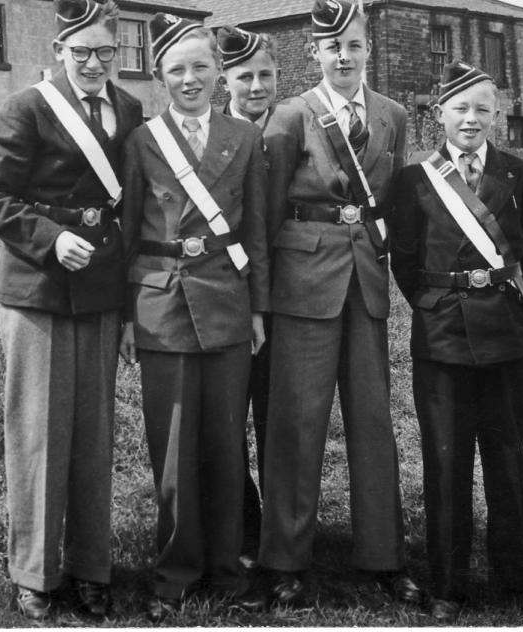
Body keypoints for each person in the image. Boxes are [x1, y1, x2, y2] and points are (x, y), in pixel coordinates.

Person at [0, 0, 143, 620]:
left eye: (106, 52)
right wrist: (48, 238)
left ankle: (91, 565)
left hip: (99, 289)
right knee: (40, 433)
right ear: (58, 52)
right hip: (40, 289)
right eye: (81, 53)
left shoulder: (128, 108)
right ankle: (36, 573)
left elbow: (127, 206)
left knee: (93, 434)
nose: (94, 64)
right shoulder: (26, 107)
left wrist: (126, 304)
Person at [257, 0, 421, 608]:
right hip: (303, 282)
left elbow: (393, 203)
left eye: (352, 45)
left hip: (366, 281)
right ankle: (285, 561)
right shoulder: (290, 115)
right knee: (298, 424)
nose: (343, 56)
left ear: (367, 48)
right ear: (315, 54)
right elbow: (267, 215)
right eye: (332, 48)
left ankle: (383, 557)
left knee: (374, 423)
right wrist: (264, 296)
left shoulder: (393, 115)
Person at [118, 12, 270, 623]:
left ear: (218, 73)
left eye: (201, 67)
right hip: (162, 304)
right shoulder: (141, 142)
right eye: (177, 69)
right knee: (174, 448)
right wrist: (128, 316)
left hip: (229, 301)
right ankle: (176, 572)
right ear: (160, 76)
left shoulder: (245, 137)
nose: (190, 79)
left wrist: (258, 307)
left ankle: (228, 568)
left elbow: (255, 228)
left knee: (227, 444)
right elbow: (128, 231)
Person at [388, 60, 523, 624]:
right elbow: (405, 260)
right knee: (446, 462)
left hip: (506, 339)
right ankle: (447, 585)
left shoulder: (518, 174)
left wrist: (499, 299)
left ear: (497, 115)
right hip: (442, 340)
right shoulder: (413, 180)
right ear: (440, 116)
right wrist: (435, 305)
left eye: (483, 108)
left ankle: (517, 581)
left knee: (507, 460)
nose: (472, 118)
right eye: (460, 108)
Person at [216, 24, 279, 568]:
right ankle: (242, 528)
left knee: (278, 420)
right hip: (232, 298)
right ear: (225, 81)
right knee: (230, 417)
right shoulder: (212, 135)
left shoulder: (296, 128)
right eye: (244, 77)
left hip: (294, 298)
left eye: (264, 75)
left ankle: (282, 539)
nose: (255, 87)